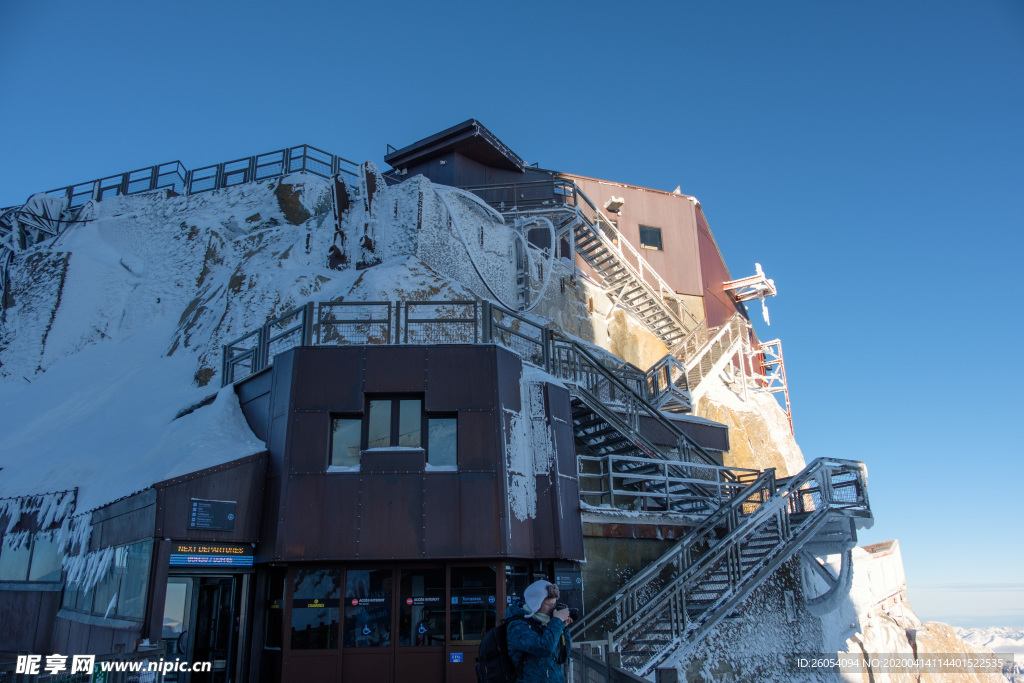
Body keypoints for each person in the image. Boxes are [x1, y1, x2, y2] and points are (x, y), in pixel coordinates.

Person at [505, 580, 573, 681]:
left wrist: (563, 627)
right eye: (550, 605)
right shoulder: (517, 626)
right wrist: (557, 621)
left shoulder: (547, 623)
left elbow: (564, 654)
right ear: (535, 604)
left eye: (554, 605)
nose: (553, 609)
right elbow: (544, 648)